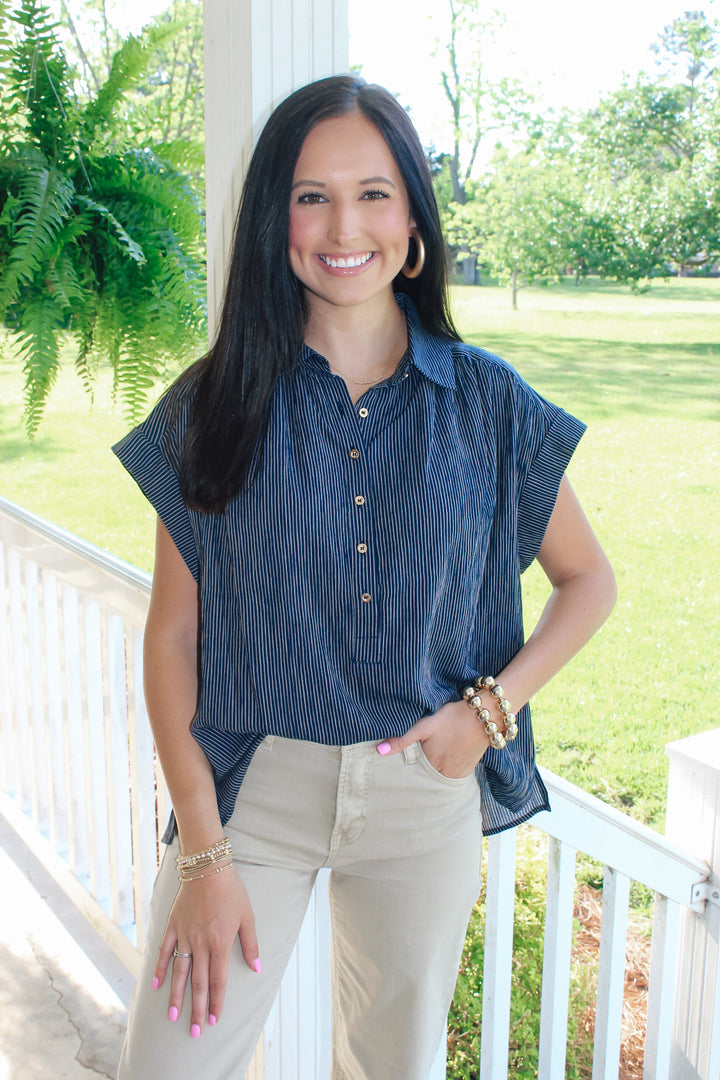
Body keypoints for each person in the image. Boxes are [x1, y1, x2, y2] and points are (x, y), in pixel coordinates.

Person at [112, 74, 616, 1080]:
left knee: (394, 1067)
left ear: (415, 220)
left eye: (374, 192)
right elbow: (172, 638)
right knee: (168, 1067)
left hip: (420, 794)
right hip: (251, 795)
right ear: (277, 220)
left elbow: (588, 582)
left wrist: (491, 709)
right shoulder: (218, 402)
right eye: (311, 195)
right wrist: (204, 856)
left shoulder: (488, 404)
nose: (344, 224)